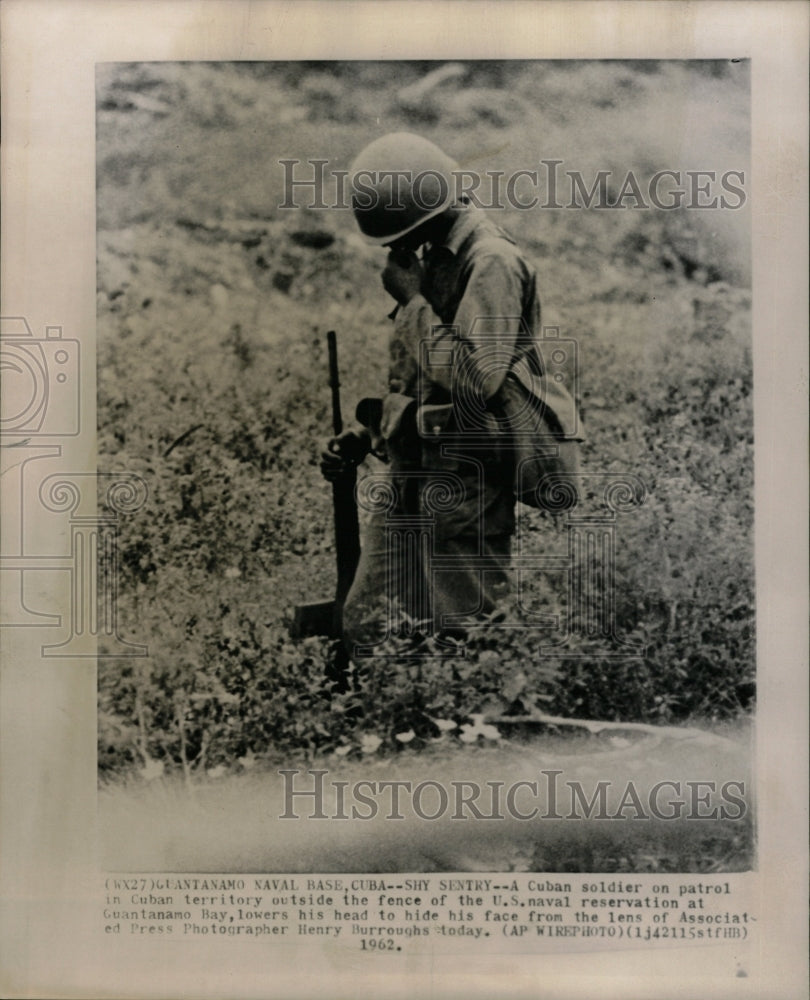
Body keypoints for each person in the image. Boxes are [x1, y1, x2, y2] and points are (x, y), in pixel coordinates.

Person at [321, 132, 580, 660]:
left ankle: (487, 731)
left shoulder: (491, 262)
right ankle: (397, 729)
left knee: (470, 628)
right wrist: (368, 432)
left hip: (467, 472)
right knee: (371, 619)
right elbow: (420, 376)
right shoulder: (434, 254)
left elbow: (473, 380)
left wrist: (413, 302)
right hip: (413, 467)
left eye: (402, 235)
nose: (397, 250)